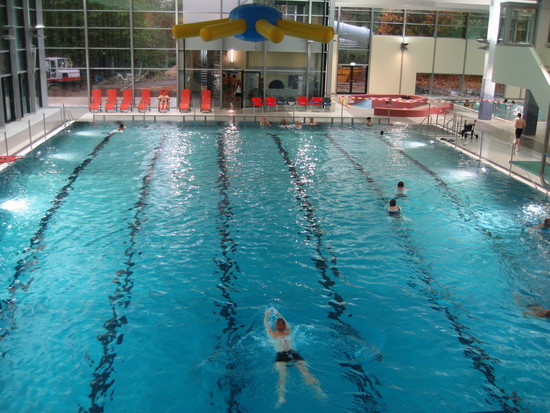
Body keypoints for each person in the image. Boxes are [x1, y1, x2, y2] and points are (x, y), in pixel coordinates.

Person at [264, 308, 324, 406]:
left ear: (275, 327)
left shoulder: (273, 334)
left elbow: (266, 324)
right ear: (285, 326)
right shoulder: (289, 331)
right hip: (293, 354)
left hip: (281, 356)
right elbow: (286, 322)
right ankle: (319, 390)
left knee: (282, 377)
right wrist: (277, 313)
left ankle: (281, 398)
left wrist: (266, 315)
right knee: (306, 373)